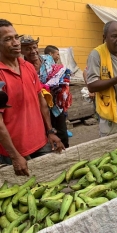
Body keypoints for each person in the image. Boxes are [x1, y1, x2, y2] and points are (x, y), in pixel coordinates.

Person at [0, 19, 64, 176]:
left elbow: (40, 100)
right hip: (14, 151)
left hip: (41, 142)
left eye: (16, 37)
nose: (16, 43)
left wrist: (50, 131)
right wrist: (15, 156)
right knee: (26, 194)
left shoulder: (28, 66)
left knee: (52, 182)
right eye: (8, 39)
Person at [21, 36, 71, 148]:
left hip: (55, 105)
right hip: (39, 108)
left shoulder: (48, 58)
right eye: (28, 49)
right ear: (21, 50)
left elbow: (57, 72)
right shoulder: (22, 67)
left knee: (62, 133)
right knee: (46, 136)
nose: (33, 51)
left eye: (34, 47)